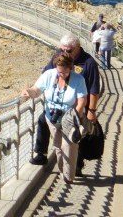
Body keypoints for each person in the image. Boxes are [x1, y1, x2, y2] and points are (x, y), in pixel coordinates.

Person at [31, 33, 100, 175]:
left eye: (69, 50)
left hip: (80, 107)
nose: (65, 53)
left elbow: (94, 90)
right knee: (43, 120)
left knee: (75, 136)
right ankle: (41, 154)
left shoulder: (89, 63)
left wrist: (91, 111)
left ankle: (77, 165)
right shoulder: (59, 58)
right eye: (62, 49)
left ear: (78, 48)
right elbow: (47, 74)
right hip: (59, 106)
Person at [22, 51, 88, 184]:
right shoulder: (49, 75)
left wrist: (75, 117)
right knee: (58, 146)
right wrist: (28, 92)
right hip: (51, 117)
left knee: (69, 146)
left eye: (64, 72)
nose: (61, 75)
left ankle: (69, 177)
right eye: (59, 72)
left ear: (71, 68)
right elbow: (37, 90)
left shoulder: (78, 80)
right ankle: (63, 171)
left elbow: (82, 101)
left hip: (69, 118)